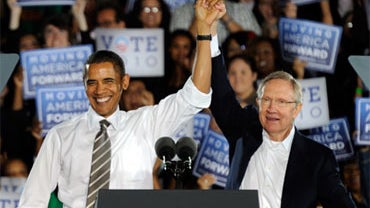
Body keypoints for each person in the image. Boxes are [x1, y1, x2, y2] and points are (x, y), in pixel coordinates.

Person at [19, 0, 224, 207]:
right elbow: (33, 199)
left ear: (124, 82)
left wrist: (204, 30)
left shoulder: (147, 122)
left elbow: (196, 94)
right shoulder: (60, 135)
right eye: (92, 83)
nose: (100, 91)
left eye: (108, 81)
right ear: (84, 85)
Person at [209, 48, 356, 206]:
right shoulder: (244, 131)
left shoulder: (317, 158)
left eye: (281, 102)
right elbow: (221, 96)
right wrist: (209, 39)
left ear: (297, 109)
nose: (272, 108)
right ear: (258, 103)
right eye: (266, 100)